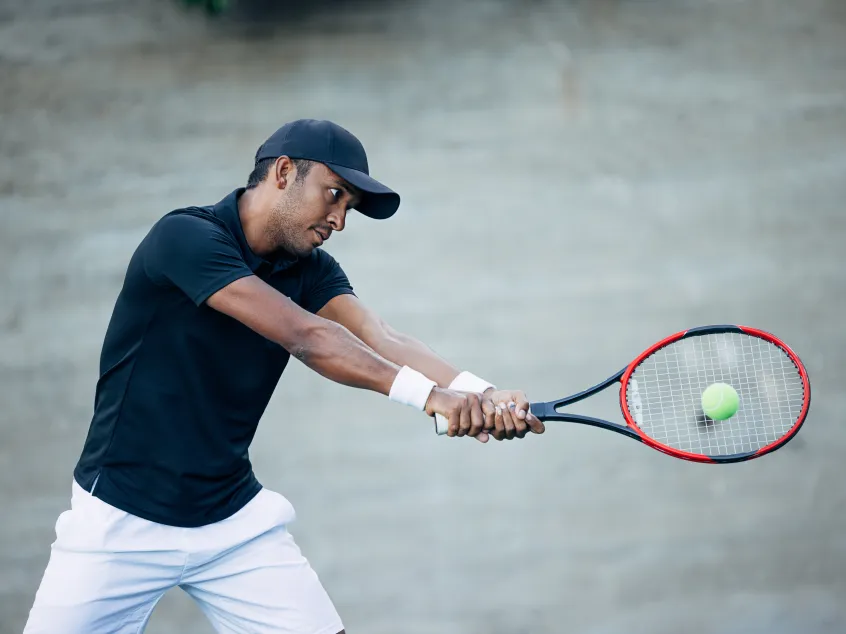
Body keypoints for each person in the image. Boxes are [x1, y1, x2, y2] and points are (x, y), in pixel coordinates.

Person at [23, 119, 545, 634]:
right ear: (283, 171)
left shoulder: (312, 270)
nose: (339, 220)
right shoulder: (184, 238)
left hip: (232, 521)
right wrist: (430, 397)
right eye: (334, 195)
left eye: (349, 209)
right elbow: (307, 337)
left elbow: (381, 336)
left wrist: (482, 393)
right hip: (120, 517)